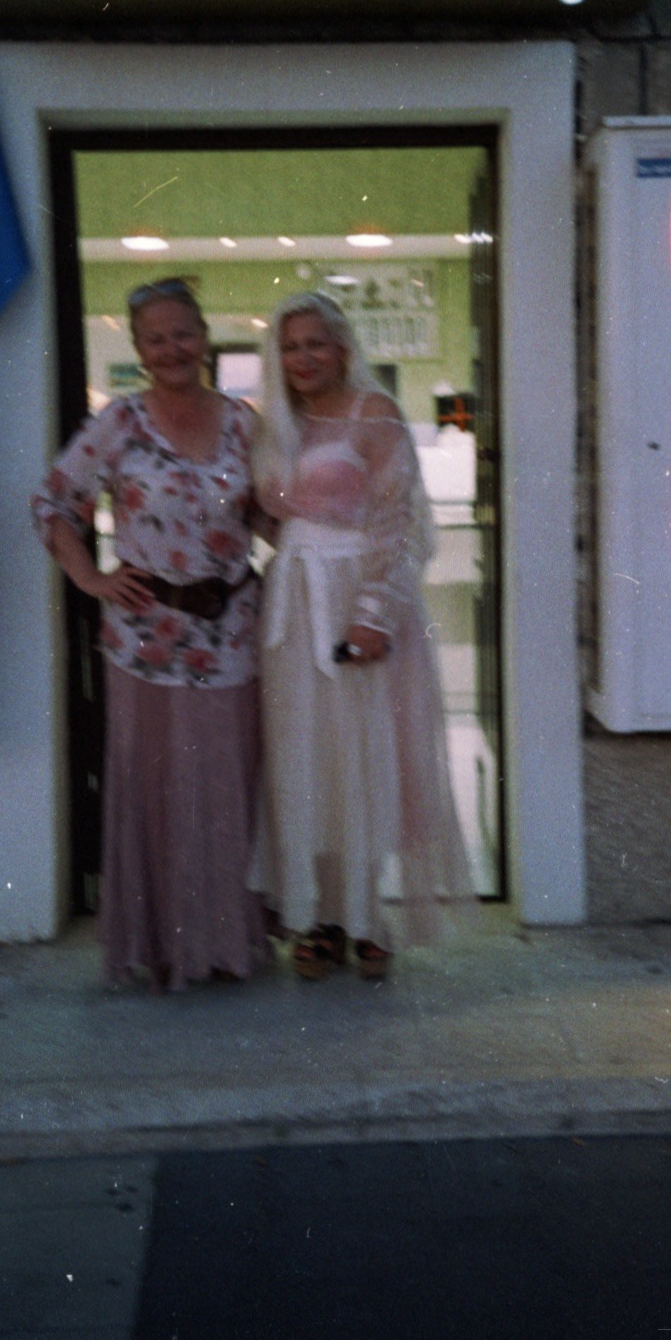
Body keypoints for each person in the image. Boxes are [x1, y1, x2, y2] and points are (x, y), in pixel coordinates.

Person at [32, 278, 266, 991]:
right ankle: (164, 948)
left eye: (183, 334)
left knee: (226, 789)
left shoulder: (242, 423)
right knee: (159, 792)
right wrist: (90, 578)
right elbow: (53, 501)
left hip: (231, 636)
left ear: (204, 336)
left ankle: (226, 946)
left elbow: (270, 514)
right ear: (138, 348)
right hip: (145, 643)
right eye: (156, 338)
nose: (172, 349)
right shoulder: (120, 424)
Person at [251, 292, 474, 981]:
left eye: (316, 344)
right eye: (291, 347)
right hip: (292, 609)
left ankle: (368, 915)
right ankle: (319, 916)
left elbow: (400, 524)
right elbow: (269, 519)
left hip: (357, 605)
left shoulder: (373, 415)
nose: (304, 358)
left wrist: (373, 615)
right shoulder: (275, 424)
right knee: (305, 761)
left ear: (343, 348)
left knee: (366, 758)